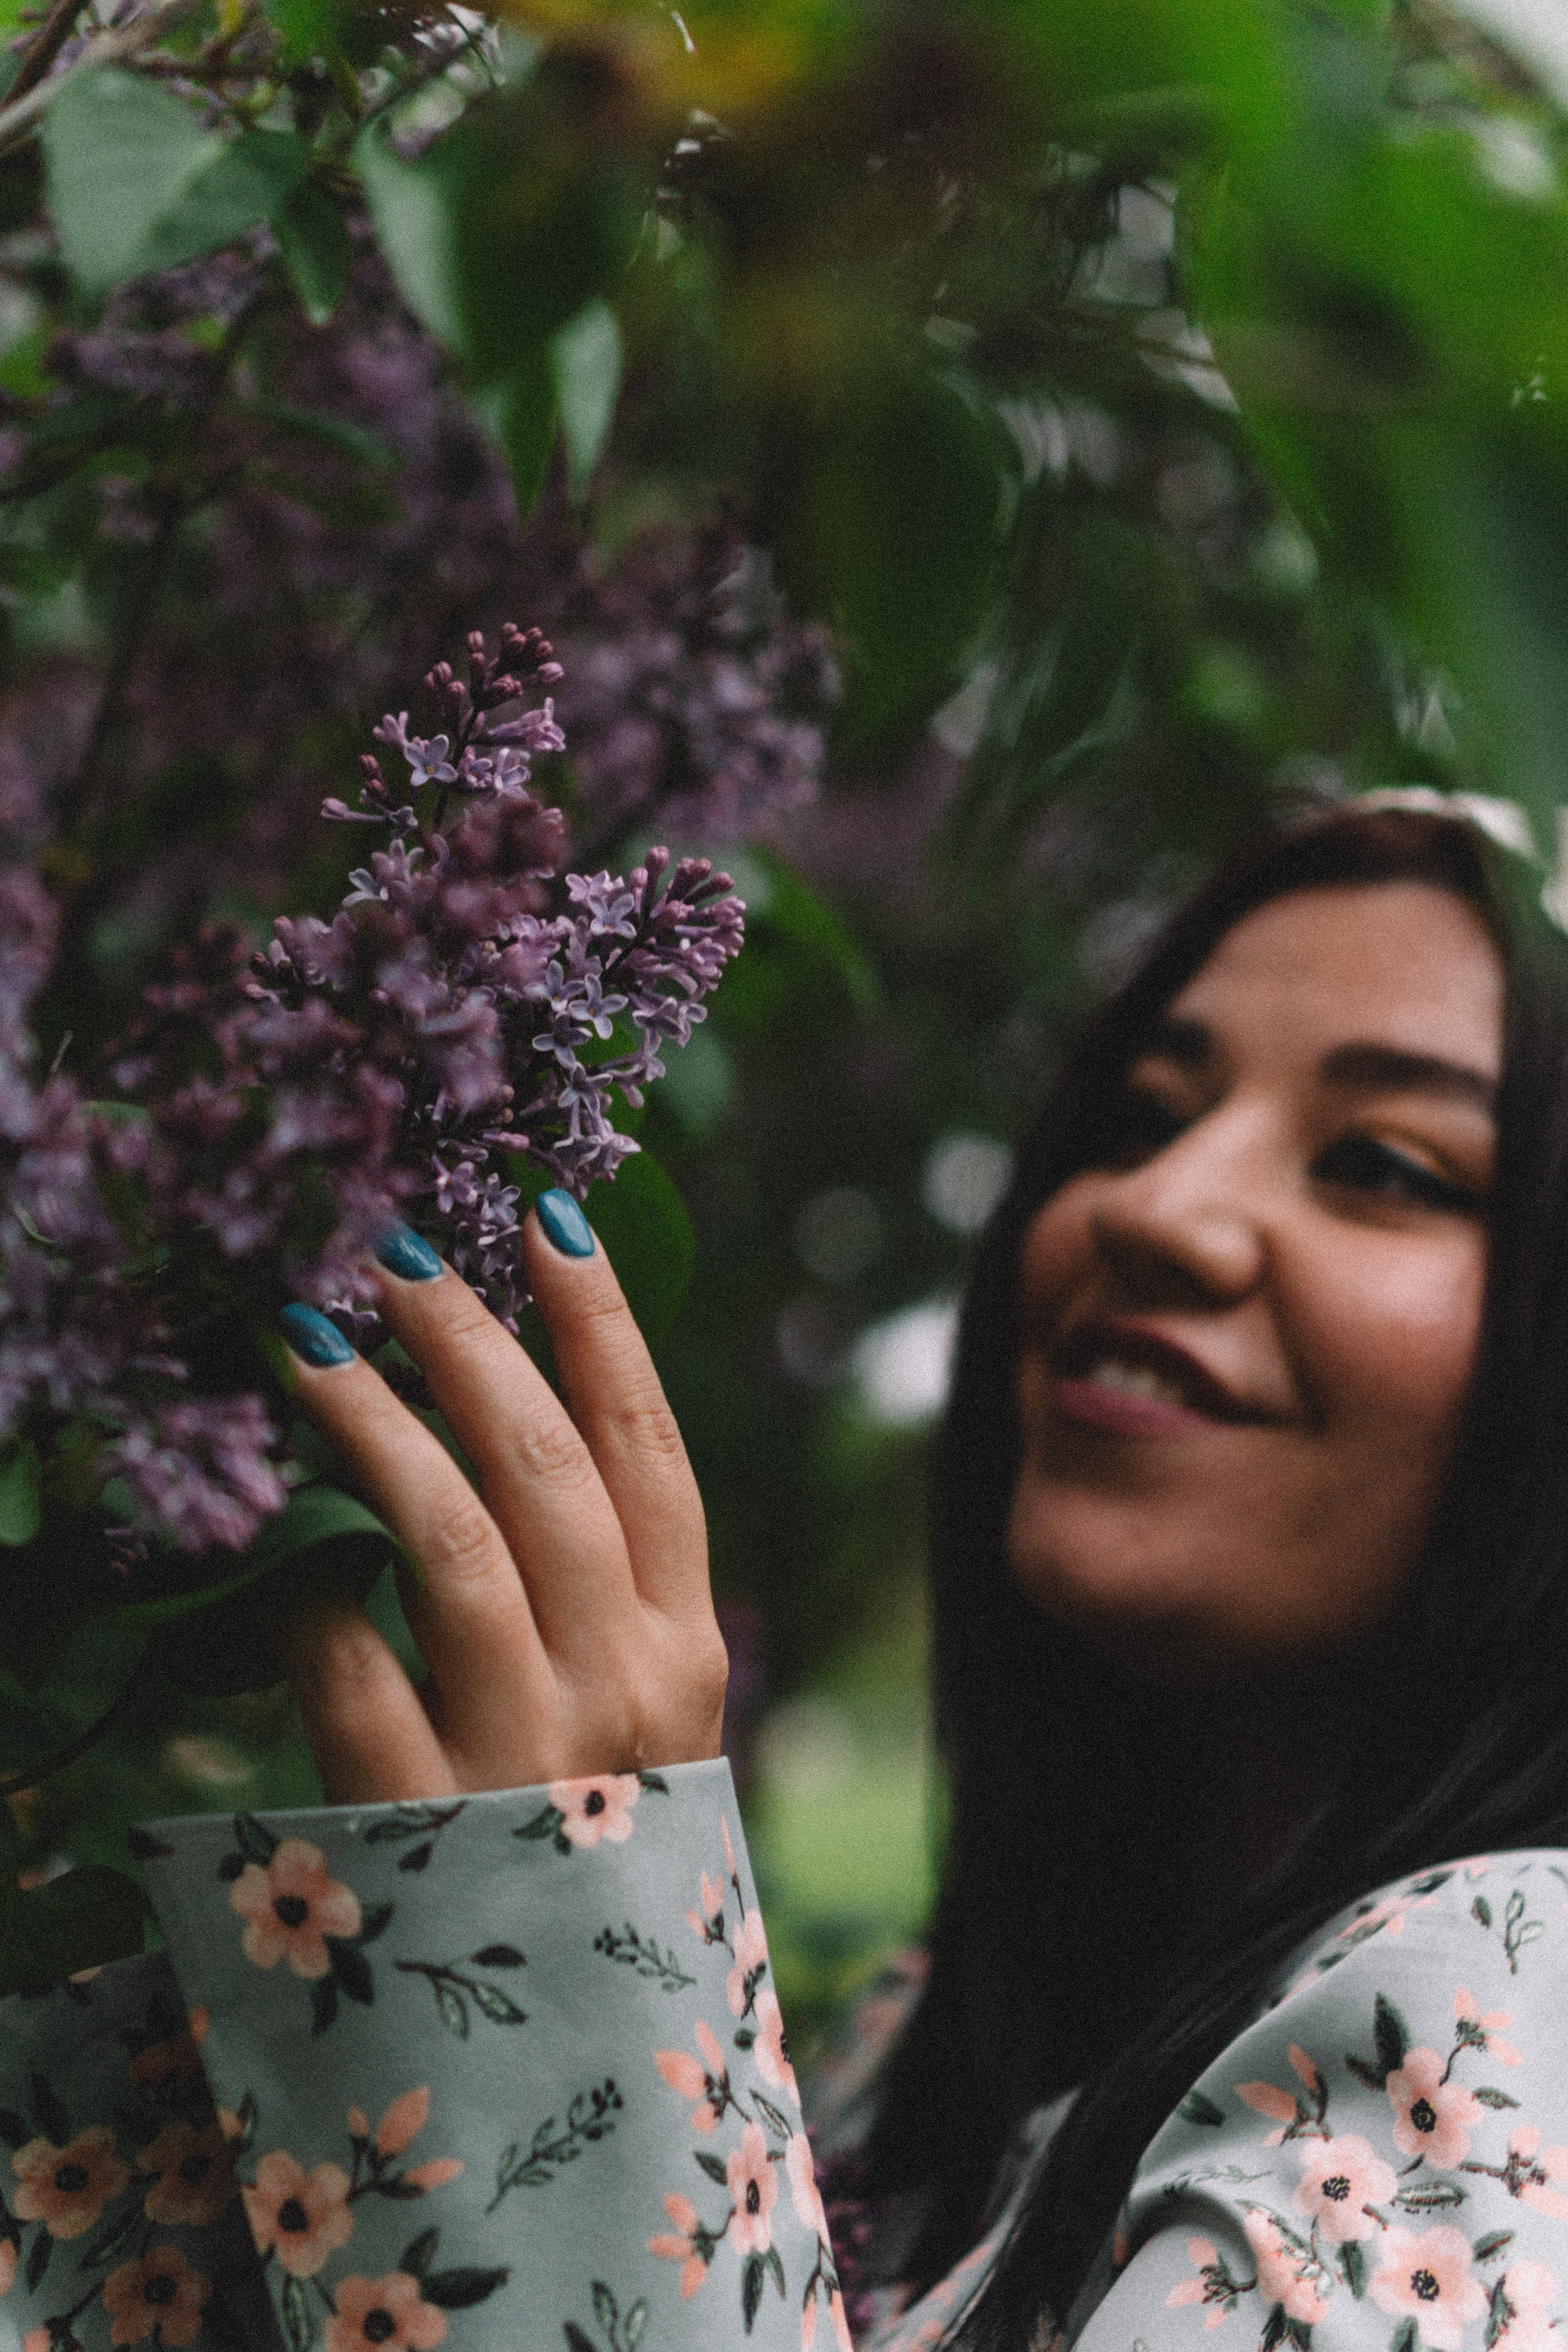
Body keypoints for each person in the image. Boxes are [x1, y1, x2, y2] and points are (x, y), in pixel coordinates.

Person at [6, 802, 1568, 2352]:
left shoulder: (1509, 2022)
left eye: (1382, 1162)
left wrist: (568, 2003)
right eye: (1139, 1118)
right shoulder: (953, 2026)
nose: (1151, 1207)